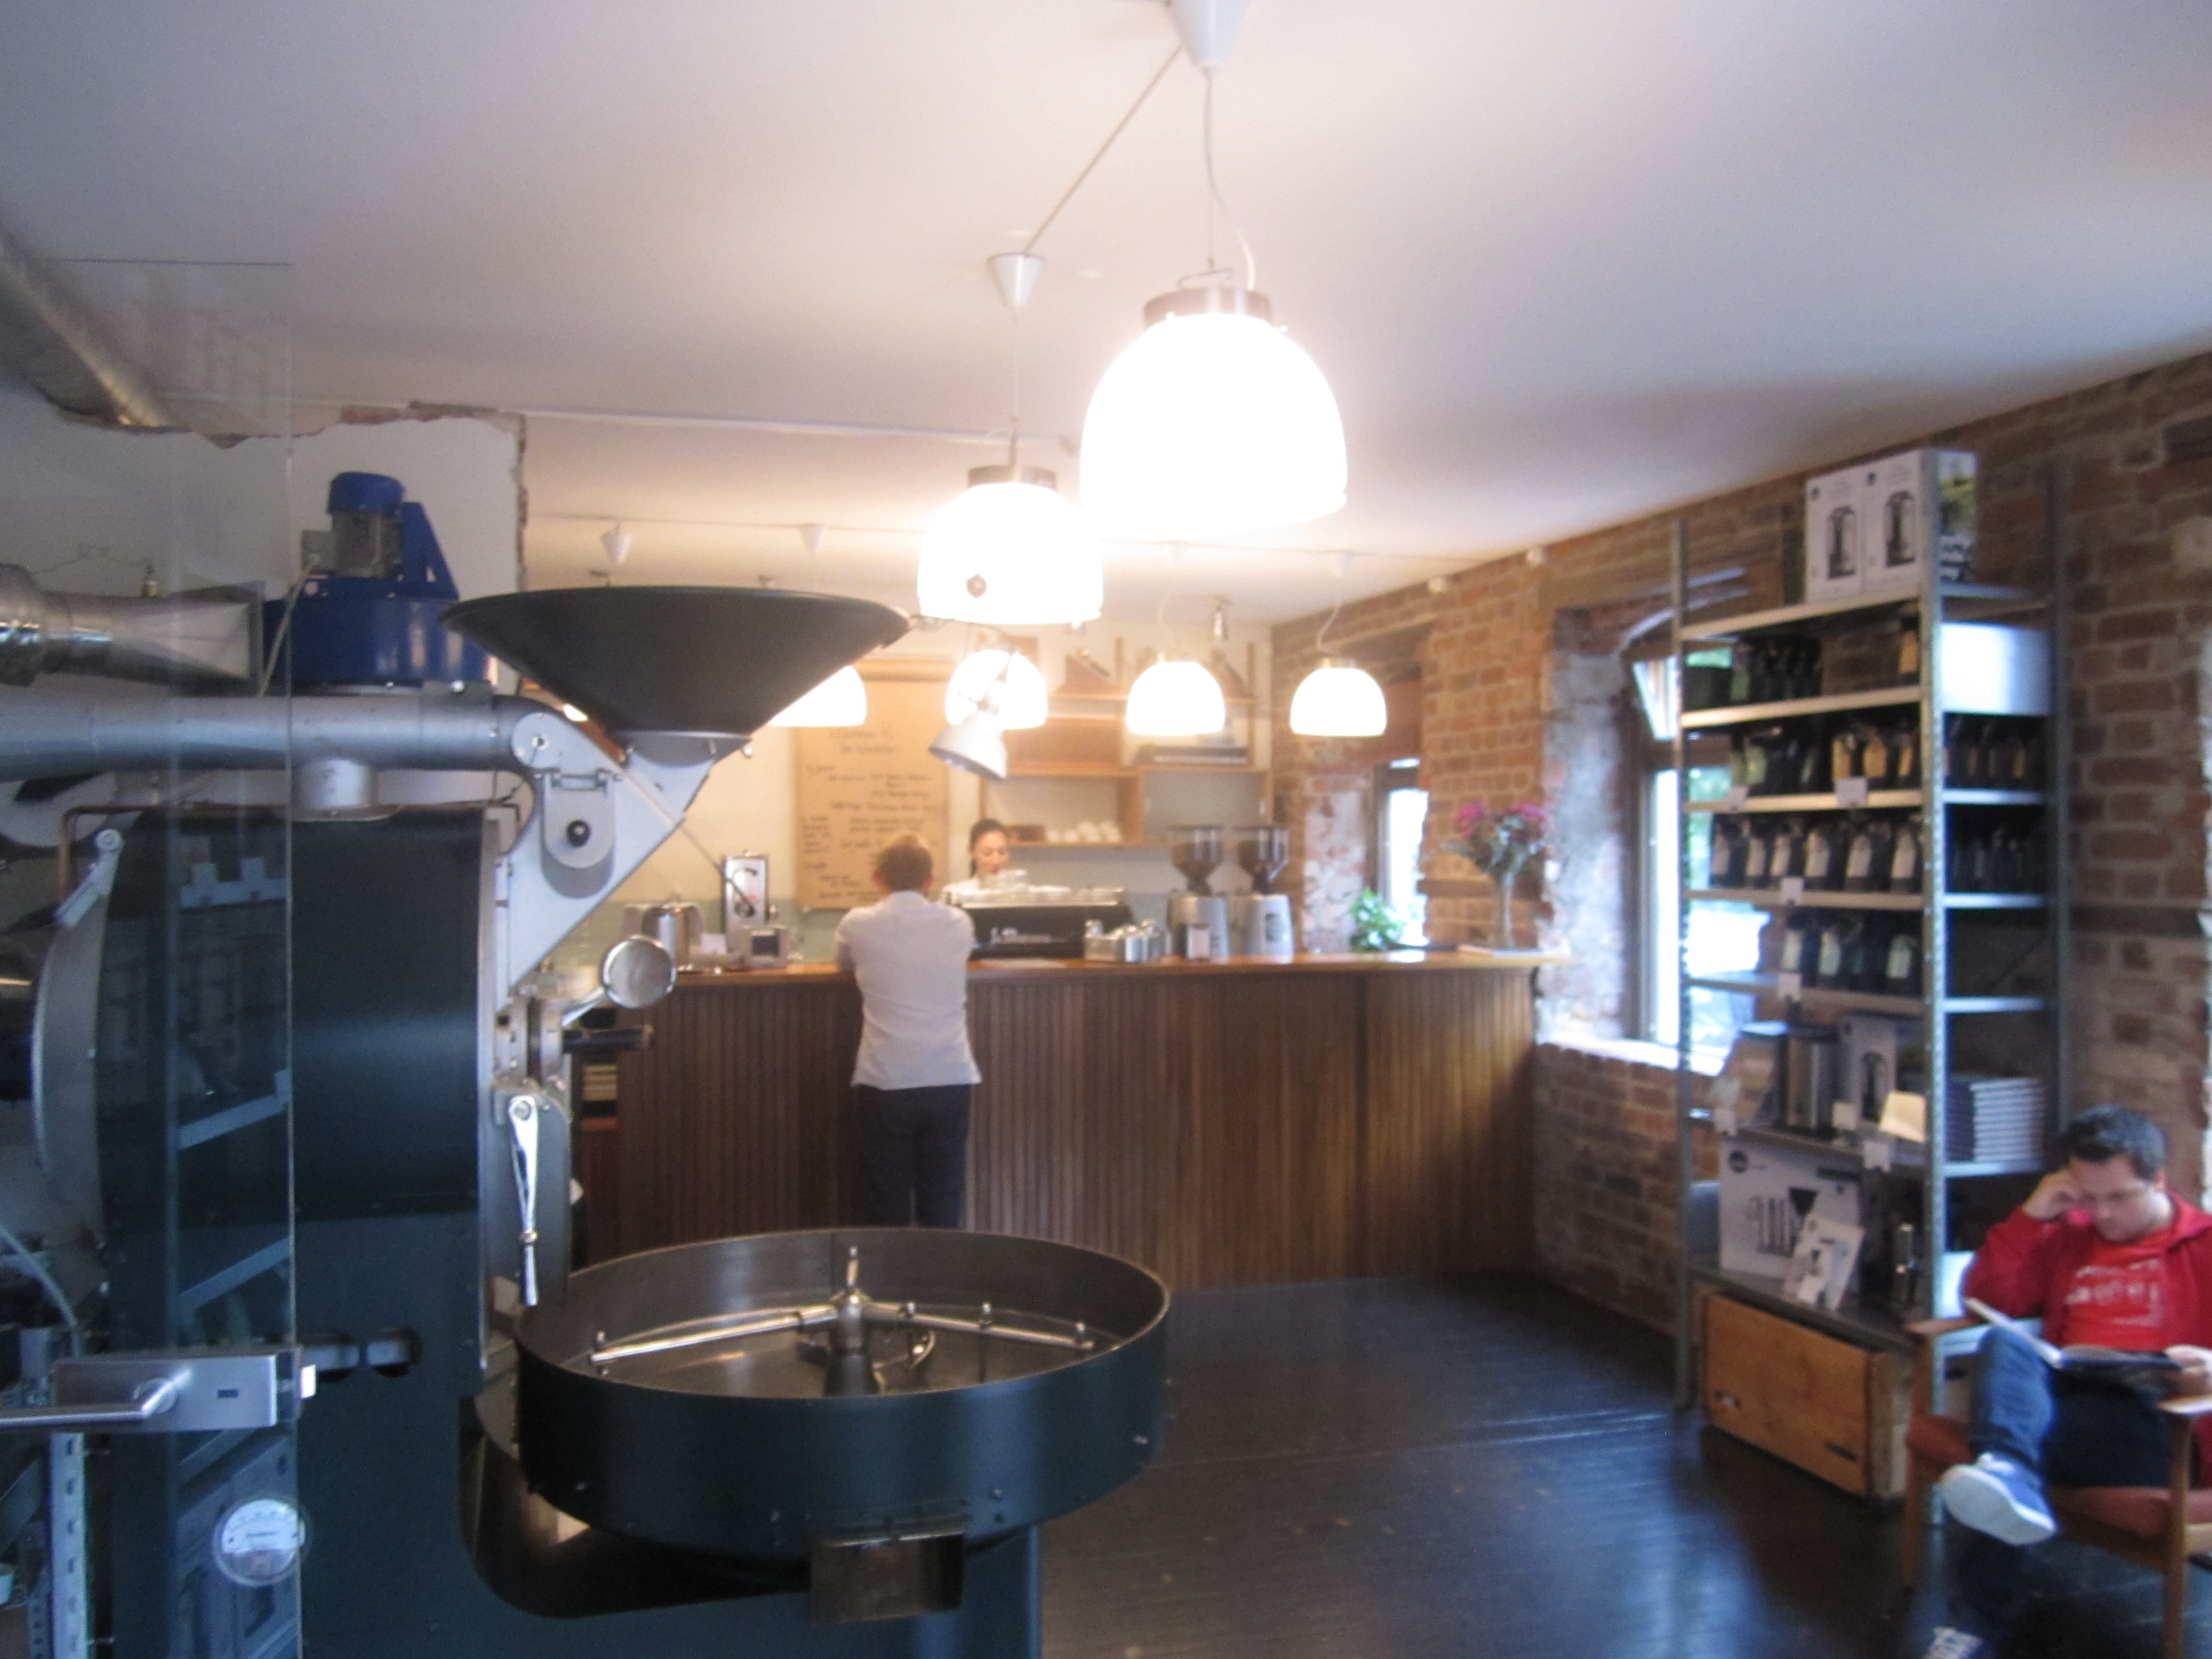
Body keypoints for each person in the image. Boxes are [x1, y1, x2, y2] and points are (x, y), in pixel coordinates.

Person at [1918, 1105, 2212, 1658]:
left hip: (2159, 1428)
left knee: (2012, 1455)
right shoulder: (2070, 1236)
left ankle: (1971, 1622)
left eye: (2119, 1197)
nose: (2102, 1214)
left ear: (2158, 1179)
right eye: (2088, 1197)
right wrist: (2031, 1216)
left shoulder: (2206, 1245)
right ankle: (2008, 1472)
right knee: (2005, 1343)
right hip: (2067, 1400)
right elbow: (1988, 1300)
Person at [832, 834, 980, 1228]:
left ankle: (890, 1269)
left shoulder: (857, 924)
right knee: (943, 1201)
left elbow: (842, 964)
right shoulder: (959, 923)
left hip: (887, 1079)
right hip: (949, 1075)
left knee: (886, 1202)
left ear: (877, 877)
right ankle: (939, 1270)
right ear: (929, 880)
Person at [941, 818, 1015, 900]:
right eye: (987, 853)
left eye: (1002, 852)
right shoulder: (956, 894)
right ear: (971, 851)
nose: (996, 861)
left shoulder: (1018, 895)